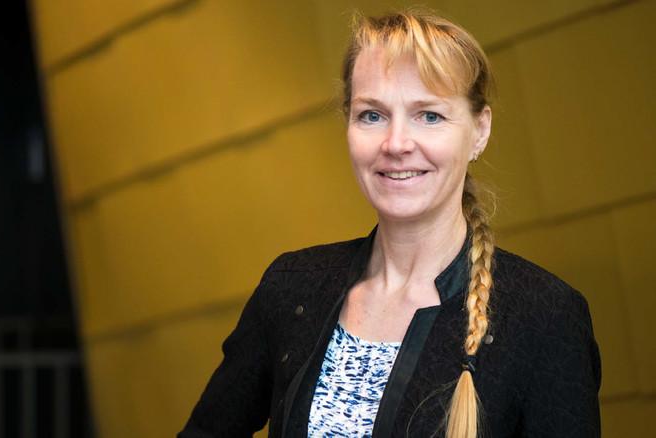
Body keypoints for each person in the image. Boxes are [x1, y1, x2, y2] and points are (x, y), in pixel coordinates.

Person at [180, 9, 600, 438]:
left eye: (429, 115)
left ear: (479, 130)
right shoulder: (292, 288)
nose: (396, 144)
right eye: (372, 115)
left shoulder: (543, 316)